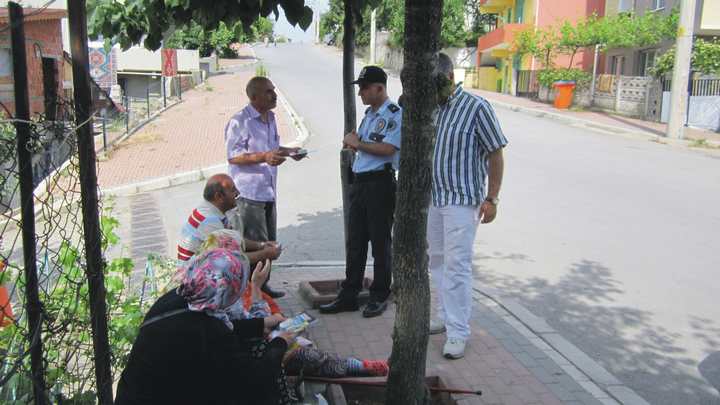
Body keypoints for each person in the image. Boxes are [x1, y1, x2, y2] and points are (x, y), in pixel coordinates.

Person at [115, 248, 293, 404]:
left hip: (134, 395)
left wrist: (260, 324)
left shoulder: (179, 297)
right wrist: (279, 344)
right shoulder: (209, 331)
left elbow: (222, 328)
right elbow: (251, 380)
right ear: (228, 289)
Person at [428, 53, 508, 359]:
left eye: (437, 86)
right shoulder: (436, 108)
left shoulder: (476, 107)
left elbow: (495, 153)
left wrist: (493, 197)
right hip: (436, 198)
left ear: (450, 79)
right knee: (435, 260)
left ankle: (458, 332)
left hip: (463, 201)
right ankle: (442, 315)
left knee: (457, 265)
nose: (434, 93)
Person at [319, 66, 401, 318]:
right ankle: (349, 294)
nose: (361, 93)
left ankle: (378, 295)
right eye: (359, 88)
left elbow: (388, 149)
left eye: (364, 88)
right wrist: (355, 145)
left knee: (380, 243)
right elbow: (364, 147)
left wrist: (358, 144)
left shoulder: (395, 114)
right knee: (355, 242)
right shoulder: (369, 114)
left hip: (380, 184)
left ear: (379, 88)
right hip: (361, 183)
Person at [225, 77, 306, 298]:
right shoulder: (240, 121)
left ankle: (264, 288)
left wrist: (289, 152)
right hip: (249, 193)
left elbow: (272, 148)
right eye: (269, 92)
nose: (274, 95)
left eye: (274, 90)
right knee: (257, 246)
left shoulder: (270, 117)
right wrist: (265, 156)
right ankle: (251, 292)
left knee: (269, 242)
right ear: (254, 97)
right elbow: (233, 156)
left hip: (268, 191)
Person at [177, 173, 283, 296]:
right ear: (219, 196)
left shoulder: (214, 210)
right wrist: (265, 253)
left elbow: (235, 240)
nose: (237, 193)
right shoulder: (210, 221)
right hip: (195, 280)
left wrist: (261, 245)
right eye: (233, 190)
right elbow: (232, 260)